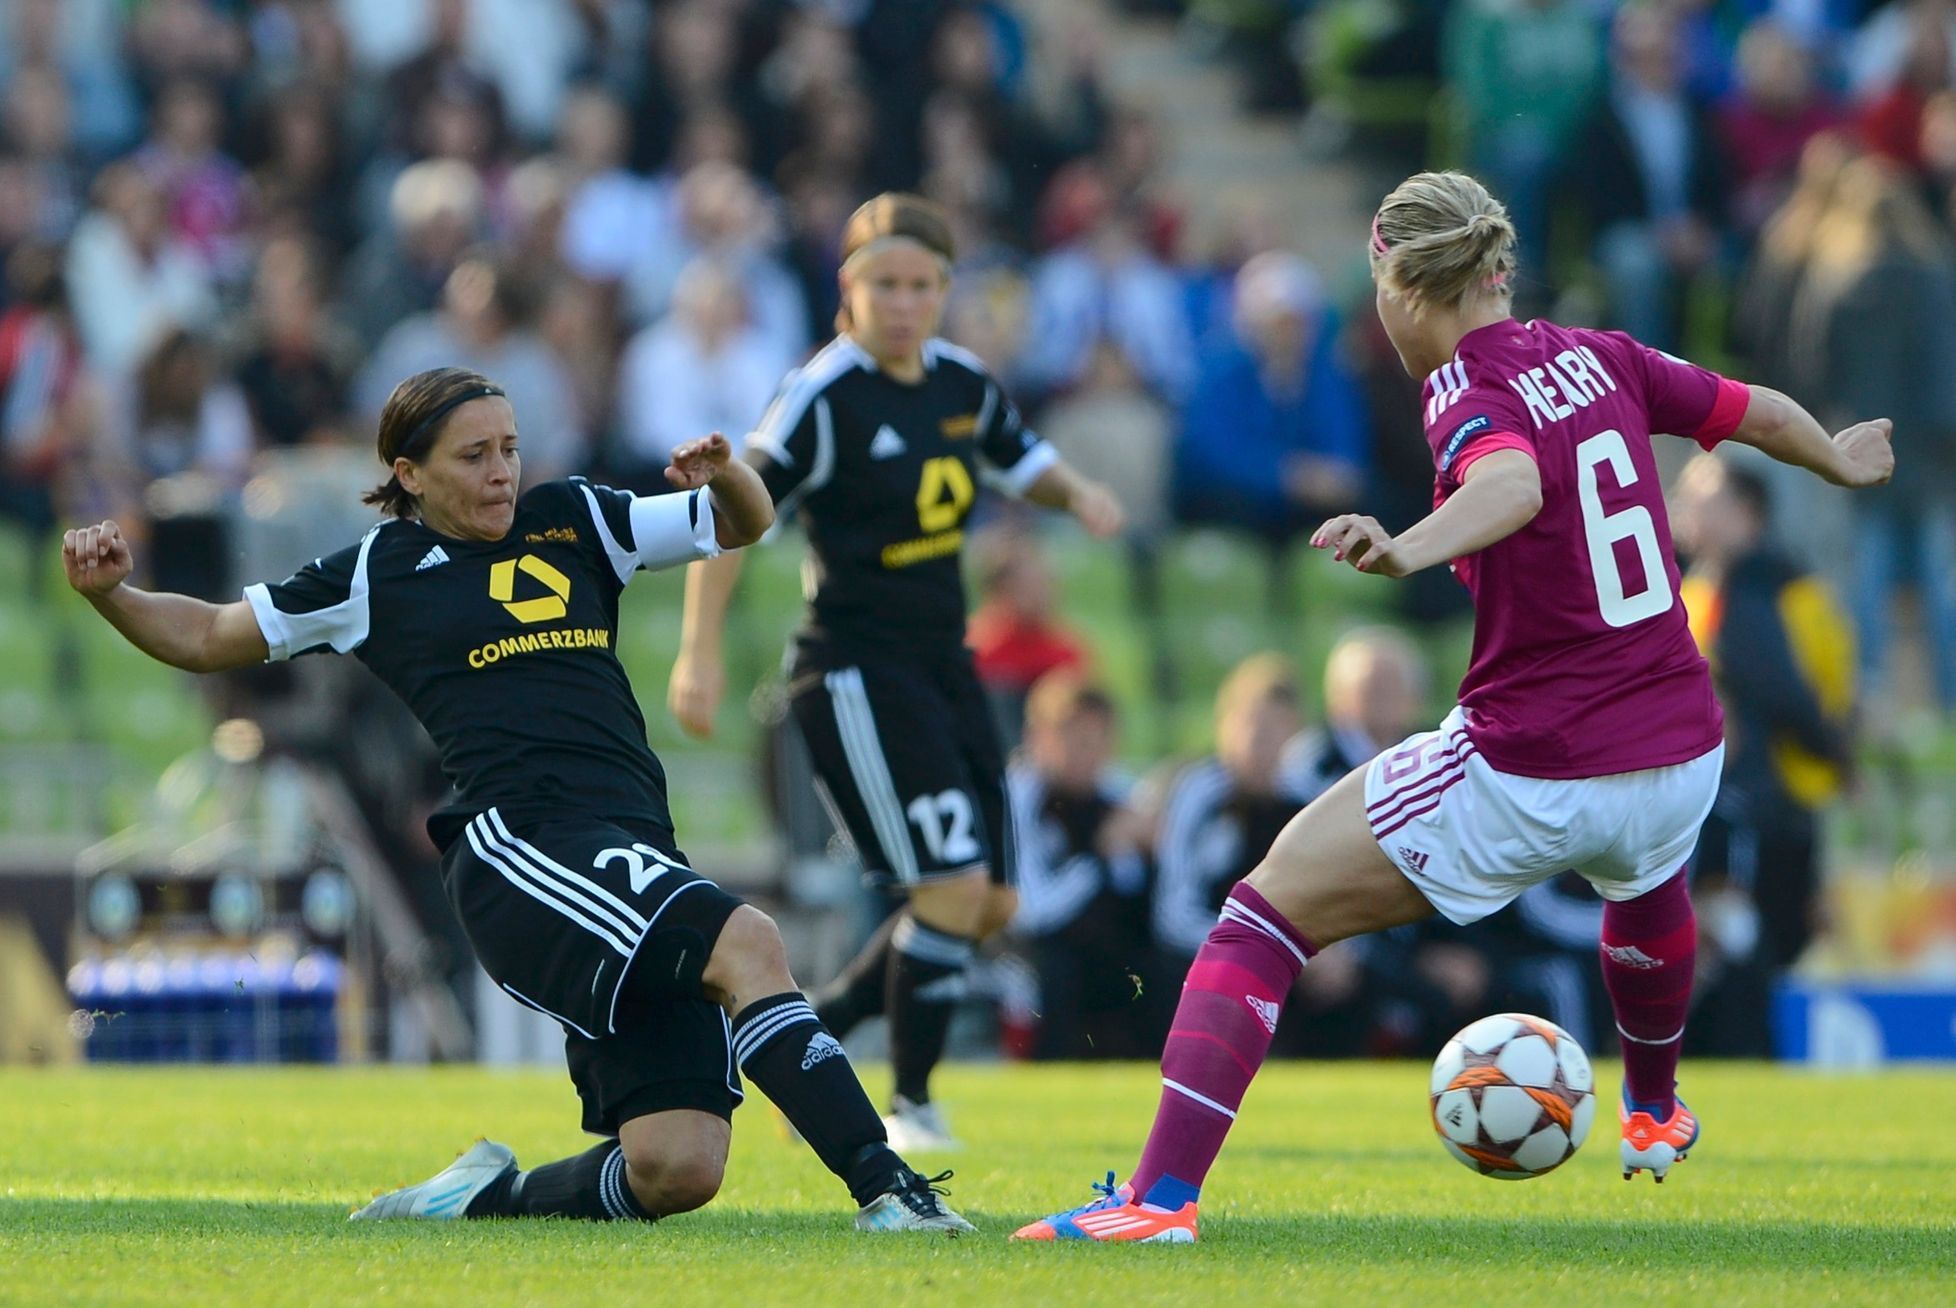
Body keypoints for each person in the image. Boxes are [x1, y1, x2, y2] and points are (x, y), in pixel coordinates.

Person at [1016, 169, 1894, 1243]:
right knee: (1646, 874)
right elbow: (1750, 410)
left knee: (1260, 916)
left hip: (1538, 759)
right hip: (1679, 747)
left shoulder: (1464, 387)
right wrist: (1840, 462)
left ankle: (1156, 1203)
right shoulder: (1604, 354)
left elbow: (1511, 486)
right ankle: (1655, 1110)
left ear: (1405, 285)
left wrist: (1406, 546)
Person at [61, 365, 972, 1234]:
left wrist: (728, 475)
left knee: (676, 1166)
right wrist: (114, 596)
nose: (501, 472)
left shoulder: (575, 516)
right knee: (750, 942)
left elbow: (740, 525)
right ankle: (891, 1189)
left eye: (509, 447)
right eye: (474, 456)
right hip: (523, 845)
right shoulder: (380, 571)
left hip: (631, 842)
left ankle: (473, 1202)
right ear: (408, 474)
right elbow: (212, 633)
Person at [668, 193, 1123, 1152]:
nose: (904, 303)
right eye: (885, 284)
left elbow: (1020, 456)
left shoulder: (960, 383)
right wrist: (698, 652)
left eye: (922, 285)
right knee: (949, 893)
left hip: (942, 665)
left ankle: (811, 1035)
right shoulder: (825, 394)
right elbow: (739, 515)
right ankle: (909, 1104)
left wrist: (1078, 492)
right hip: (853, 672)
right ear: (850, 289)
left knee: (992, 901)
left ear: (945, 292)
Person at [1672, 453, 1854, 1051]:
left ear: (1746, 513)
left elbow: (1780, 689)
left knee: (1749, 951)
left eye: (1702, 496)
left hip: (1760, 804)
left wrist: (1834, 755)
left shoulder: (1746, 588)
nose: (1683, 505)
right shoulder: (1777, 583)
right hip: (1781, 801)